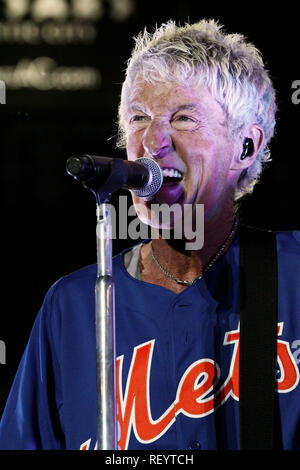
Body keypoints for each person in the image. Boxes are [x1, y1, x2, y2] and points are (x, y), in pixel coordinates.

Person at [0, 18, 300, 451]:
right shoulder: (73, 304)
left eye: (183, 118)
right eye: (138, 117)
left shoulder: (292, 273)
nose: (151, 141)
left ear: (245, 146)